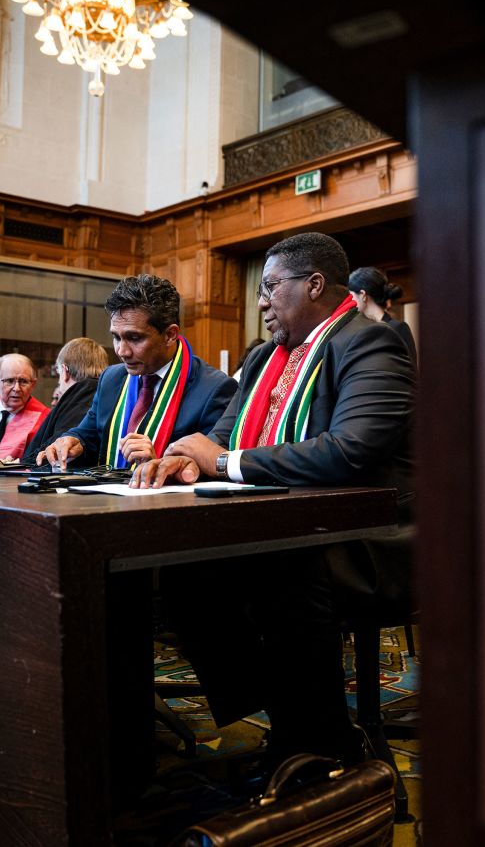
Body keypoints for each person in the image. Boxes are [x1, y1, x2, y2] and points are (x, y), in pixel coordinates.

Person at [133, 232, 415, 770]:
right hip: (285, 525)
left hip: (367, 535)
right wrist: (188, 461)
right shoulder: (264, 357)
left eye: (270, 287)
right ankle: (293, 717)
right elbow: (222, 436)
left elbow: (352, 451)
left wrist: (222, 462)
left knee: (279, 570)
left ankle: (322, 740)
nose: (260, 301)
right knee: (183, 568)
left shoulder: (372, 341)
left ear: (314, 285)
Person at [37, 275, 236, 469]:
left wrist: (160, 463)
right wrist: (72, 442)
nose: (121, 351)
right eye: (116, 337)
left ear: (169, 335)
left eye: (134, 338)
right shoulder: (111, 378)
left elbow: (214, 465)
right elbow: (89, 435)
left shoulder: (215, 389)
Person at [22, 338, 110, 462]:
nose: (58, 382)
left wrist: (23, 462)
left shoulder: (83, 393)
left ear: (65, 371)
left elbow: (55, 448)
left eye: (59, 373)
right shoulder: (105, 393)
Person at [347, 266, 417, 367]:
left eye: (351, 295)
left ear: (362, 294)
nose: (350, 300)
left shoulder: (398, 328)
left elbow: (411, 369)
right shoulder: (359, 329)